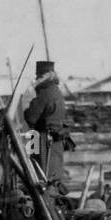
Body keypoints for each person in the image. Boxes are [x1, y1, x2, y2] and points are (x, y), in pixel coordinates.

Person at [22, 60, 68, 191]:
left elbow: (31, 117)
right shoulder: (56, 91)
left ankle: (45, 205)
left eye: (39, 77)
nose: (37, 80)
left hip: (42, 140)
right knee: (53, 176)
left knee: (40, 176)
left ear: (47, 76)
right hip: (54, 141)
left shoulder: (45, 93)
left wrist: (26, 102)